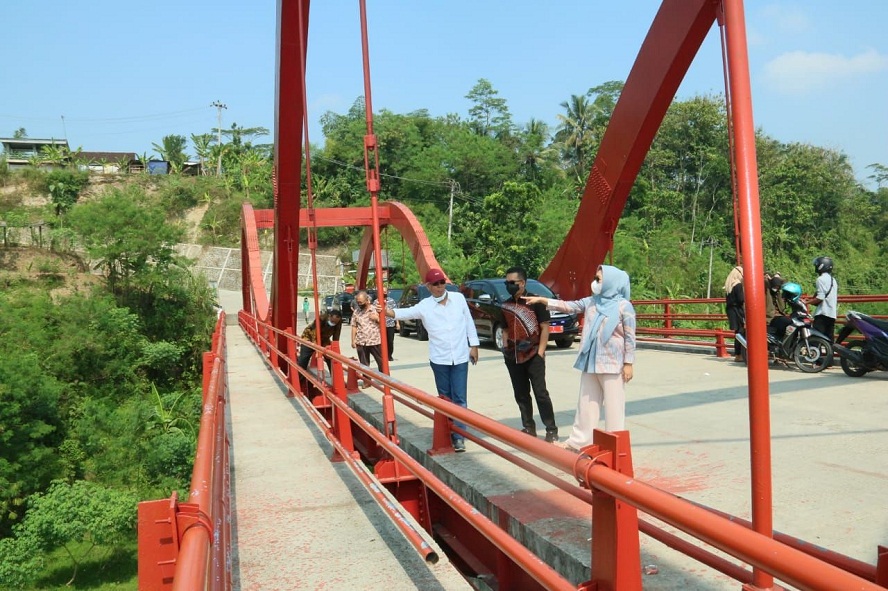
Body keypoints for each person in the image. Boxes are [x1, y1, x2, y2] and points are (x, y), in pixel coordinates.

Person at [523, 264, 636, 451]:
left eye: (599, 279)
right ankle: (579, 442)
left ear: (611, 282)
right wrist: (544, 300)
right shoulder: (592, 302)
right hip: (591, 360)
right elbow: (570, 306)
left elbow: (630, 337)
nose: (595, 282)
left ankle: (614, 446)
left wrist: (628, 363)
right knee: (586, 404)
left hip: (612, 363)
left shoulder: (624, 307)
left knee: (614, 407)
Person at [384, 268, 479, 452]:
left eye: (442, 282)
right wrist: (386, 312)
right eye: (435, 284)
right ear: (428, 286)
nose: (439, 286)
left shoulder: (458, 299)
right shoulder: (424, 306)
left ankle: (459, 436)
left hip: (460, 356)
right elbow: (405, 313)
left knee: (460, 398)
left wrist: (473, 345)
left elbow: (468, 321)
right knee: (445, 398)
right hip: (440, 358)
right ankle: (448, 430)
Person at [501, 266, 558, 442]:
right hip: (513, 355)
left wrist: (540, 352)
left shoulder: (536, 302)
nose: (509, 285)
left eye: (513, 282)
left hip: (533, 354)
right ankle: (528, 427)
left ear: (523, 283)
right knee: (521, 393)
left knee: (540, 393)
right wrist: (505, 349)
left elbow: (545, 327)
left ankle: (551, 429)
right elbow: (504, 329)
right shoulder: (506, 305)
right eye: (507, 283)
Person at [351, 290, 384, 385]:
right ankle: (367, 381)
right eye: (358, 302)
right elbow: (354, 326)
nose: (359, 304)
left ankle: (385, 379)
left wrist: (377, 318)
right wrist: (353, 340)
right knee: (364, 363)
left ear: (367, 300)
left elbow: (384, 324)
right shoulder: (356, 312)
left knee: (381, 361)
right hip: (361, 341)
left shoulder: (375, 310)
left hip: (375, 340)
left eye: (361, 302)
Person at [805, 256, 838, 344]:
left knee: (815, 338)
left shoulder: (820, 279)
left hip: (822, 313)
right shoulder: (833, 280)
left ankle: (814, 356)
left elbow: (820, 298)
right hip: (832, 313)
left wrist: (806, 302)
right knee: (829, 338)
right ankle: (830, 356)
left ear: (822, 266)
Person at [724, 264, 745, 362]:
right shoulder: (738, 284)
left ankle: (738, 354)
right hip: (737, 310)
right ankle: (739, 354)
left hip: (730, 310)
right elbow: (741, 299)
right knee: (740, 332)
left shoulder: (729, 285)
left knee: (737, 332)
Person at [375, 288, 400, 361]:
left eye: (386, 291)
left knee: (390, 341)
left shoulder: (391, 301)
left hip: (390, 324)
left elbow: (395, 312)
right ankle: (382, 355)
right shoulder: (376, 302)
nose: (385, 292)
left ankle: (389, 355)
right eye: (383, 291)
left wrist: (397, 323)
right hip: (380, 325)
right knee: (381, 341)